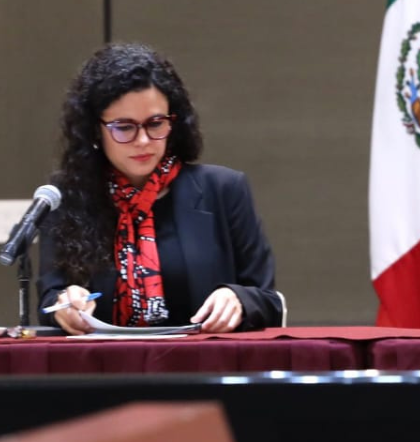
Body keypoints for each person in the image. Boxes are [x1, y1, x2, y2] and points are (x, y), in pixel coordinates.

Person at [37, 43, 284, 334]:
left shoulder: (224, 190)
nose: (143, 140)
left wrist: (240, 298)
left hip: (203, 367)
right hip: (104, 369)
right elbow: (49, 301)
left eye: (155, 123)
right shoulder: (65, 198)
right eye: (124, 127)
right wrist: (64, 307)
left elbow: (269, 301)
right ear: (94, 130)